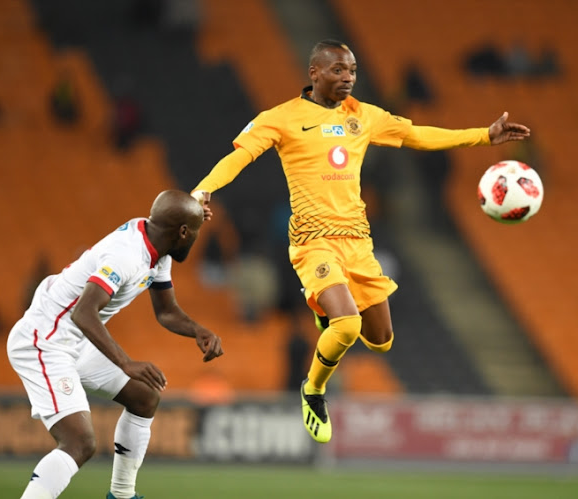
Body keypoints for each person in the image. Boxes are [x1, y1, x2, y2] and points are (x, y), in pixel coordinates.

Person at [191, 40, 529, 443]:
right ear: (314, 73)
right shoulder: (281, 118)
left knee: (381, 341)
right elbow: (240, 156)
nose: (348, 77)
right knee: (347, 325)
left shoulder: (364, 117)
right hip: (313, 242)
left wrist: (483, 136)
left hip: (357, 242)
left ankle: (325, 308)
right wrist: (203, 190)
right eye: (338, 70)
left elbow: (417, 135)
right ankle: (314, 389)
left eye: (352, 70)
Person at [6, 190, 223, 498]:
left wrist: (198, 330)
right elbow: (84, 312)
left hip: (74, 340)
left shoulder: (157, 242)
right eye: (195, 232)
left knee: (145, 397)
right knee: (79, 443)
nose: (196, 239)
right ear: (183, 232)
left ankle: (121, 495)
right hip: (45, 340)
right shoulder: (127, 256)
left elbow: (166, 311)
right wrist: (125, 363)